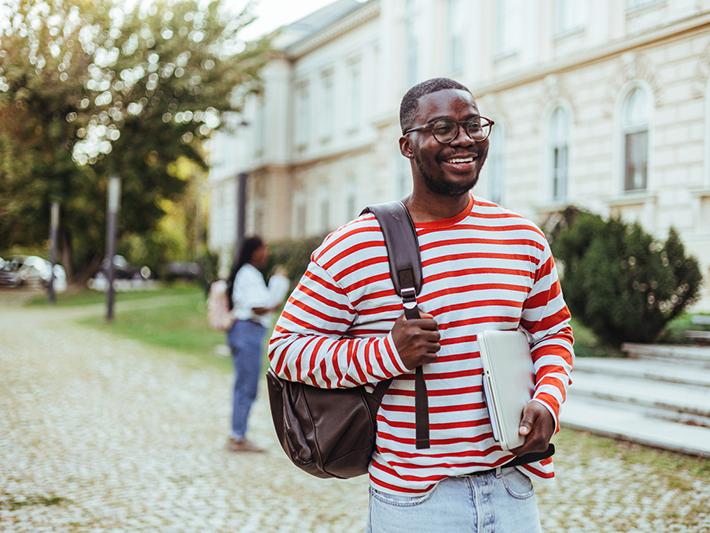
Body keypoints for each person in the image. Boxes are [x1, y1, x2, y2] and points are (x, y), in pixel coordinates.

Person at [268, 78, 574, 531]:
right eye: (443, 129)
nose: (464, 140)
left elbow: (553, 335)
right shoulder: (356, 245)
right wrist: (386, 354)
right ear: (407, 146)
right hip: (415, 502)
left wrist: (548, 401)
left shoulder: (522, 238)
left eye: (473, 125)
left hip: (513, 490)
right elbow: (285, 352)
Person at [225, 236, 289, 453]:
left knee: (244, 384)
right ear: (254, 251)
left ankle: (238, 434)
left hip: (247, 332)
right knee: (247, 386)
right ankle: (238, 436)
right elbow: (257, 307)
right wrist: (276, 302)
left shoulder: (248, 273)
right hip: (248, 331)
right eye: (264, 248)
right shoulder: (249, 274)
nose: (267, 253)